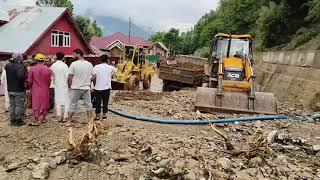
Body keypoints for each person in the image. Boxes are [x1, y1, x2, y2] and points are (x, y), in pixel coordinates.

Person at [67, 49, 93, 126]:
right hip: (86, 88)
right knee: (89, 104)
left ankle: (68, 121)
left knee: (72, 104)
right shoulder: (89, 64)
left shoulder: (73, 64)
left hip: (76, 88)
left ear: (78, 54)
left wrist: (69, 86)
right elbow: (94, 76)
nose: (73, 56)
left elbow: (70, 77)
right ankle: (89, 121)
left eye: (74, 54)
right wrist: (88, 82)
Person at [27, 54, 52, 126]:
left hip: (36, 89)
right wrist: (47, 86)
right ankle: (44, 118)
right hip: (45, 88)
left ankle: (36, 119)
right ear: (43, 60)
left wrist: (29, 87)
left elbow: (29, 81)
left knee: (36, 103)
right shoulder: (48, 69)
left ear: (36, 60)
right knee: (45, 102)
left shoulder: (32, 69)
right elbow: (49, 81)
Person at [92, 55, 117, 120]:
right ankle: (104, 115)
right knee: (105, 102)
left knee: (98, 102)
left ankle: (97, 116)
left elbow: (94, 77)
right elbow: (116, 71)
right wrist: (110, 64)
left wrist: (94, 84)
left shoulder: (96, 67)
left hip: (97, 88)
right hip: (106, 88)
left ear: (100, 60)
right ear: (107, 60)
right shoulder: (110, 67)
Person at [5, 53, 27, 126]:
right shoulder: (20, 67)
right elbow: (20, 77)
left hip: (10, 88)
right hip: (19, 89)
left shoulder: (7, 66)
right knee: (18, 105)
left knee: (12, 105)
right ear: (19, 59)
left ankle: (12, 120)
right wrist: (24, 82)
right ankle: (18, 120)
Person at [50, 52, 69, 122]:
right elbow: (67, 77)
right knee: (66, 101)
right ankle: (65, 117)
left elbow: (51, 76)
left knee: (58, 101)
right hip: (64, 85)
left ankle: (59, 116)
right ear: (63, 57)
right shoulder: (64, 66)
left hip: (56, 85)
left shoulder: (53, 65)